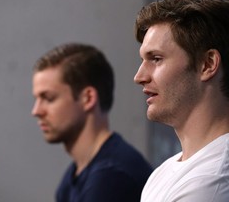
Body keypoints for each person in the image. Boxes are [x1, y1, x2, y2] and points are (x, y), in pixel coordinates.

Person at [134, 0, 229, 202]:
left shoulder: (211, 182)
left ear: (207, 64)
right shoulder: (163, 173)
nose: (139, 77)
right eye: (143, 60)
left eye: (156, 59)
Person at [31, 43, 152, 202]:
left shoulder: (111, 177)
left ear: (87, 98)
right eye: (37, 99)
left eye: (48, 98)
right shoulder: (73, 176)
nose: (36, 111)